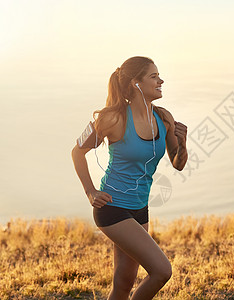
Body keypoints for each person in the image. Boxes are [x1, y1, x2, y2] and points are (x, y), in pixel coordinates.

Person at [71, 56, 188, 300]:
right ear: (136, 83)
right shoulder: (113, 118)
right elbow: (77, 151)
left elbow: (178, 163)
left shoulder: (164, 118)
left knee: (124, 282)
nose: (161, 80)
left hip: (140, 208)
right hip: (112, 208)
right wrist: (90, 191)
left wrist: (183, 143)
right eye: (154, 76)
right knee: (162, 271)